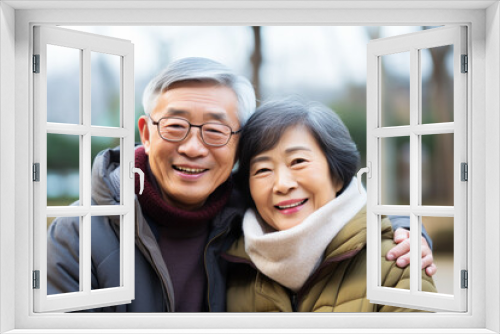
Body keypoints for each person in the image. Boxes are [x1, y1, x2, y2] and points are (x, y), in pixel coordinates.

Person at [47, 57, 434, 312]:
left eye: (215, 130)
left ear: (237, 144)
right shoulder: (78, 233)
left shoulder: (244, 219)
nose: (194, 147)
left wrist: (405, 229)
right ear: (146, 133)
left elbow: (331, 213)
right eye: (176, 126)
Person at [224, 97, 436, 312]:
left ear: (336, 175)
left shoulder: (397, 262)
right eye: (263, 170)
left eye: (298, 161)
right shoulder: (231, 268)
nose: (282, 184)